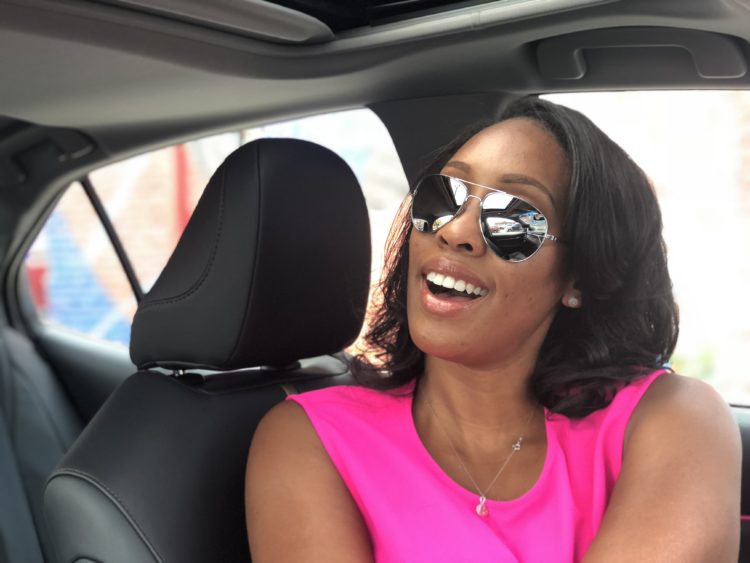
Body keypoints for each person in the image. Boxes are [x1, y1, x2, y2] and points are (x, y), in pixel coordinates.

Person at [245, 97, 741, 562]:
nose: (456, 231)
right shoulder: (311, 441)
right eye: (444, 197)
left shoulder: (671, 419)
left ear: (578, 278)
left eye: (512, 219)